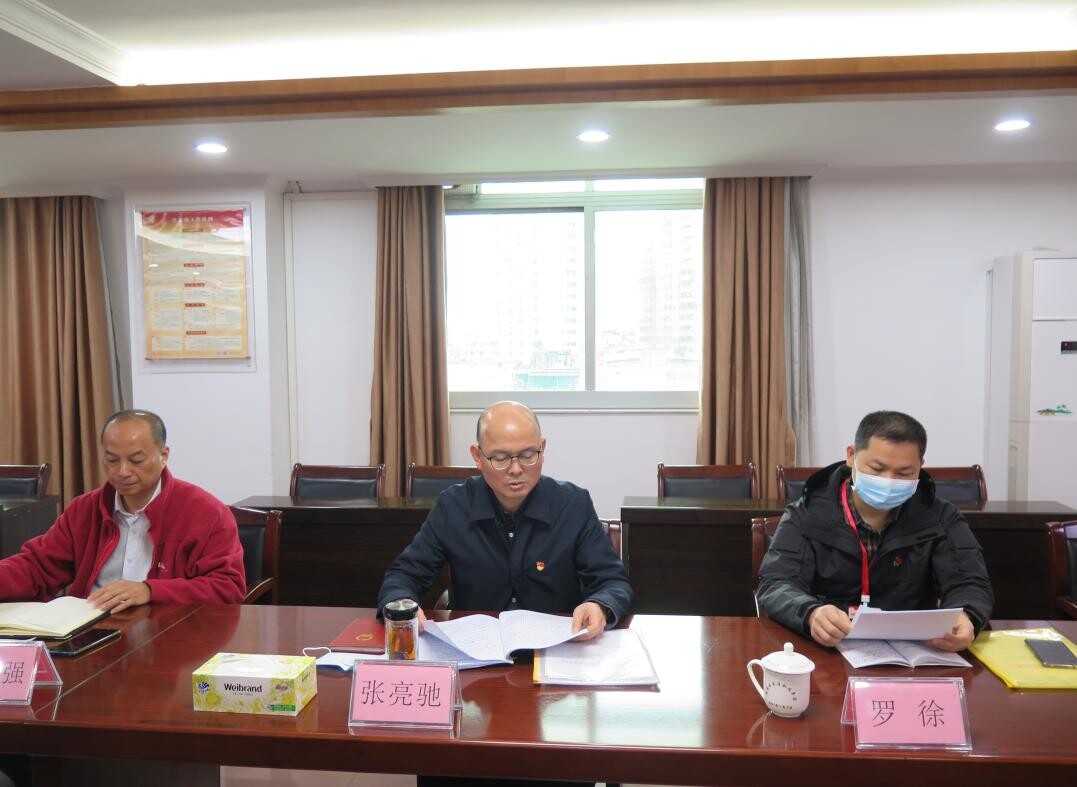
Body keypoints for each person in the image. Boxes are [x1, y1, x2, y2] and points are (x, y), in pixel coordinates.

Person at [379, 400, 633, 639]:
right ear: (477, 456)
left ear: (542, 448)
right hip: (476, 651)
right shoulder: (453, 506)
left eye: (528, 455)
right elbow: (404, 575)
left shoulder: (573, 505)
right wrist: (402, 604)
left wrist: (599, 605)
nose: (516, 469)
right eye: (500, 458)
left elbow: (612, 582)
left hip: (556, 650)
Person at [756, 410, 993, 652]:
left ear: (920, 466)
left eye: (903, 473)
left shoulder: (940, 516)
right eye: (877, 469)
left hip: (916, 651)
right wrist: (810, 613)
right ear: (851, 456)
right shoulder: (807, 513)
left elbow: (971, 583)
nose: (888, 481)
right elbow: (775, 583)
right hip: (829, 651)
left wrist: (967, 616)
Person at [0, 409, 246, 607]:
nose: (122, 471)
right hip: (91, 631)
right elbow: (37, 567)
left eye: (136, 460)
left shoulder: (206, 513)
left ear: (163, 456)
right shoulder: (85, 509)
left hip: (168, 633)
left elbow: (228, 587)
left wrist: (150, 591)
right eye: (112, 460)